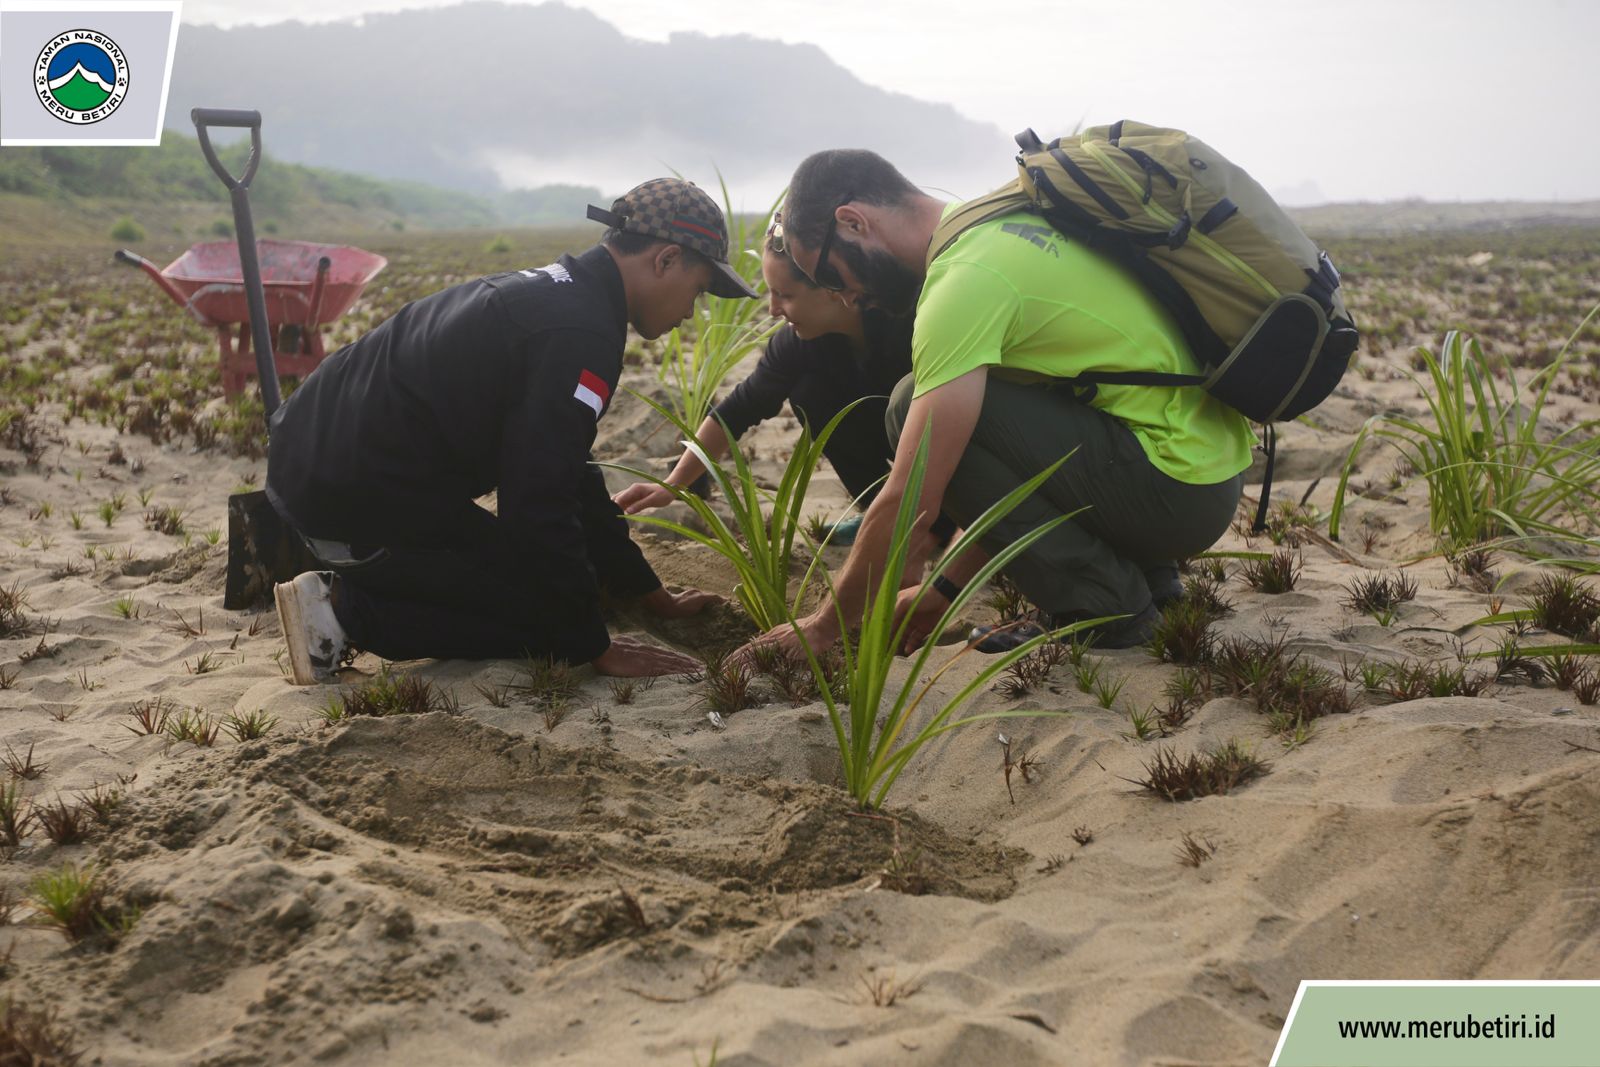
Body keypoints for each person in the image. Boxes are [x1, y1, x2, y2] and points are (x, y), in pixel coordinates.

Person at [742, 150, 1256, 658]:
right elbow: (1010, 467)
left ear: (853, 223)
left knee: (908, 409)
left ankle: (1103, 606)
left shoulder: (965, 282)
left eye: (831, 276)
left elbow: (911, 498)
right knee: (966, 413)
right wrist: (942, 592)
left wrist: (823, 628)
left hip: (1176, 493)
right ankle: (1149, 577)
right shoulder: (999, 222)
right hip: (1202, 469)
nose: (846, 297)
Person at [267, 177, 757, 685]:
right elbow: (537, 501)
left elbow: (565, 468)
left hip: (326, 459)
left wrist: (646, 591)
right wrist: (593, 647)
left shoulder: (566, 295)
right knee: (551, 619)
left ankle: (371, 573)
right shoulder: (581, 335)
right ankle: (341, 614)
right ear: (666, 260)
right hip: (343, 493)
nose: (689, 312)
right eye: (697, 291)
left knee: (568, 590)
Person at [611, 216, 924, 541]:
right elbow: (738, 410)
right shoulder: (800, 340)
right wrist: (673, 485)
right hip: (889, 427)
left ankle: (937, 521)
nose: (773, 309)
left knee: (908, 396)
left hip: (949, 433)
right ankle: (882, 511)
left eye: (784, 295)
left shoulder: (909, 321)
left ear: (833, 288)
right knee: (810, 395)